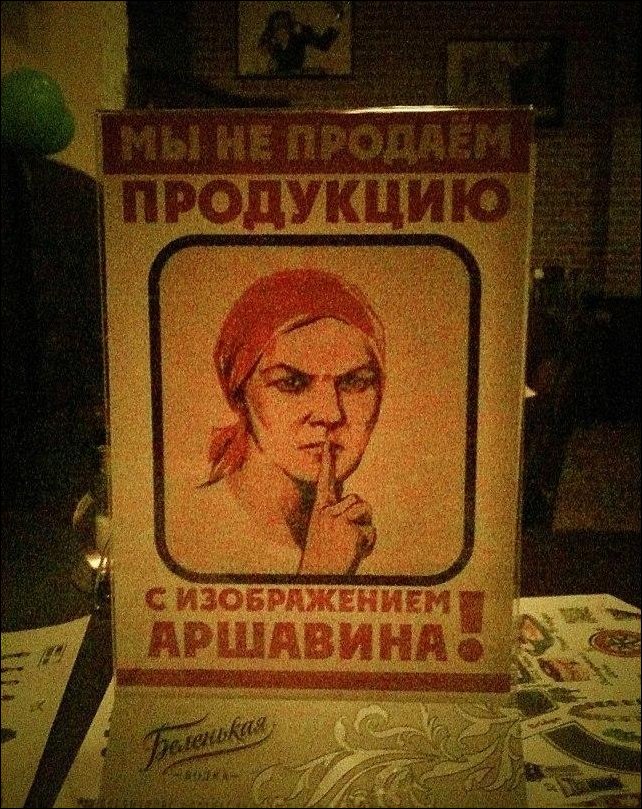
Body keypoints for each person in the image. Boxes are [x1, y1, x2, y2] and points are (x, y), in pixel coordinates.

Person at [195, 268, 385, 576]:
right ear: (240, 394)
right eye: (291, 383)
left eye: (354, 382)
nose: (330, 414)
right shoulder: (194, 530)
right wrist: (322, 572)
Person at [258, 9, 340, 75]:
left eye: (283, 28)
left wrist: (336, 23)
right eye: (277, 30)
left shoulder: (299, 37)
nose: (280, 33)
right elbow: (264, 53)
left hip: (296, 78)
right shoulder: (272, 41)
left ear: (288, 29)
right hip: (279, 79)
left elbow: (323, 44)